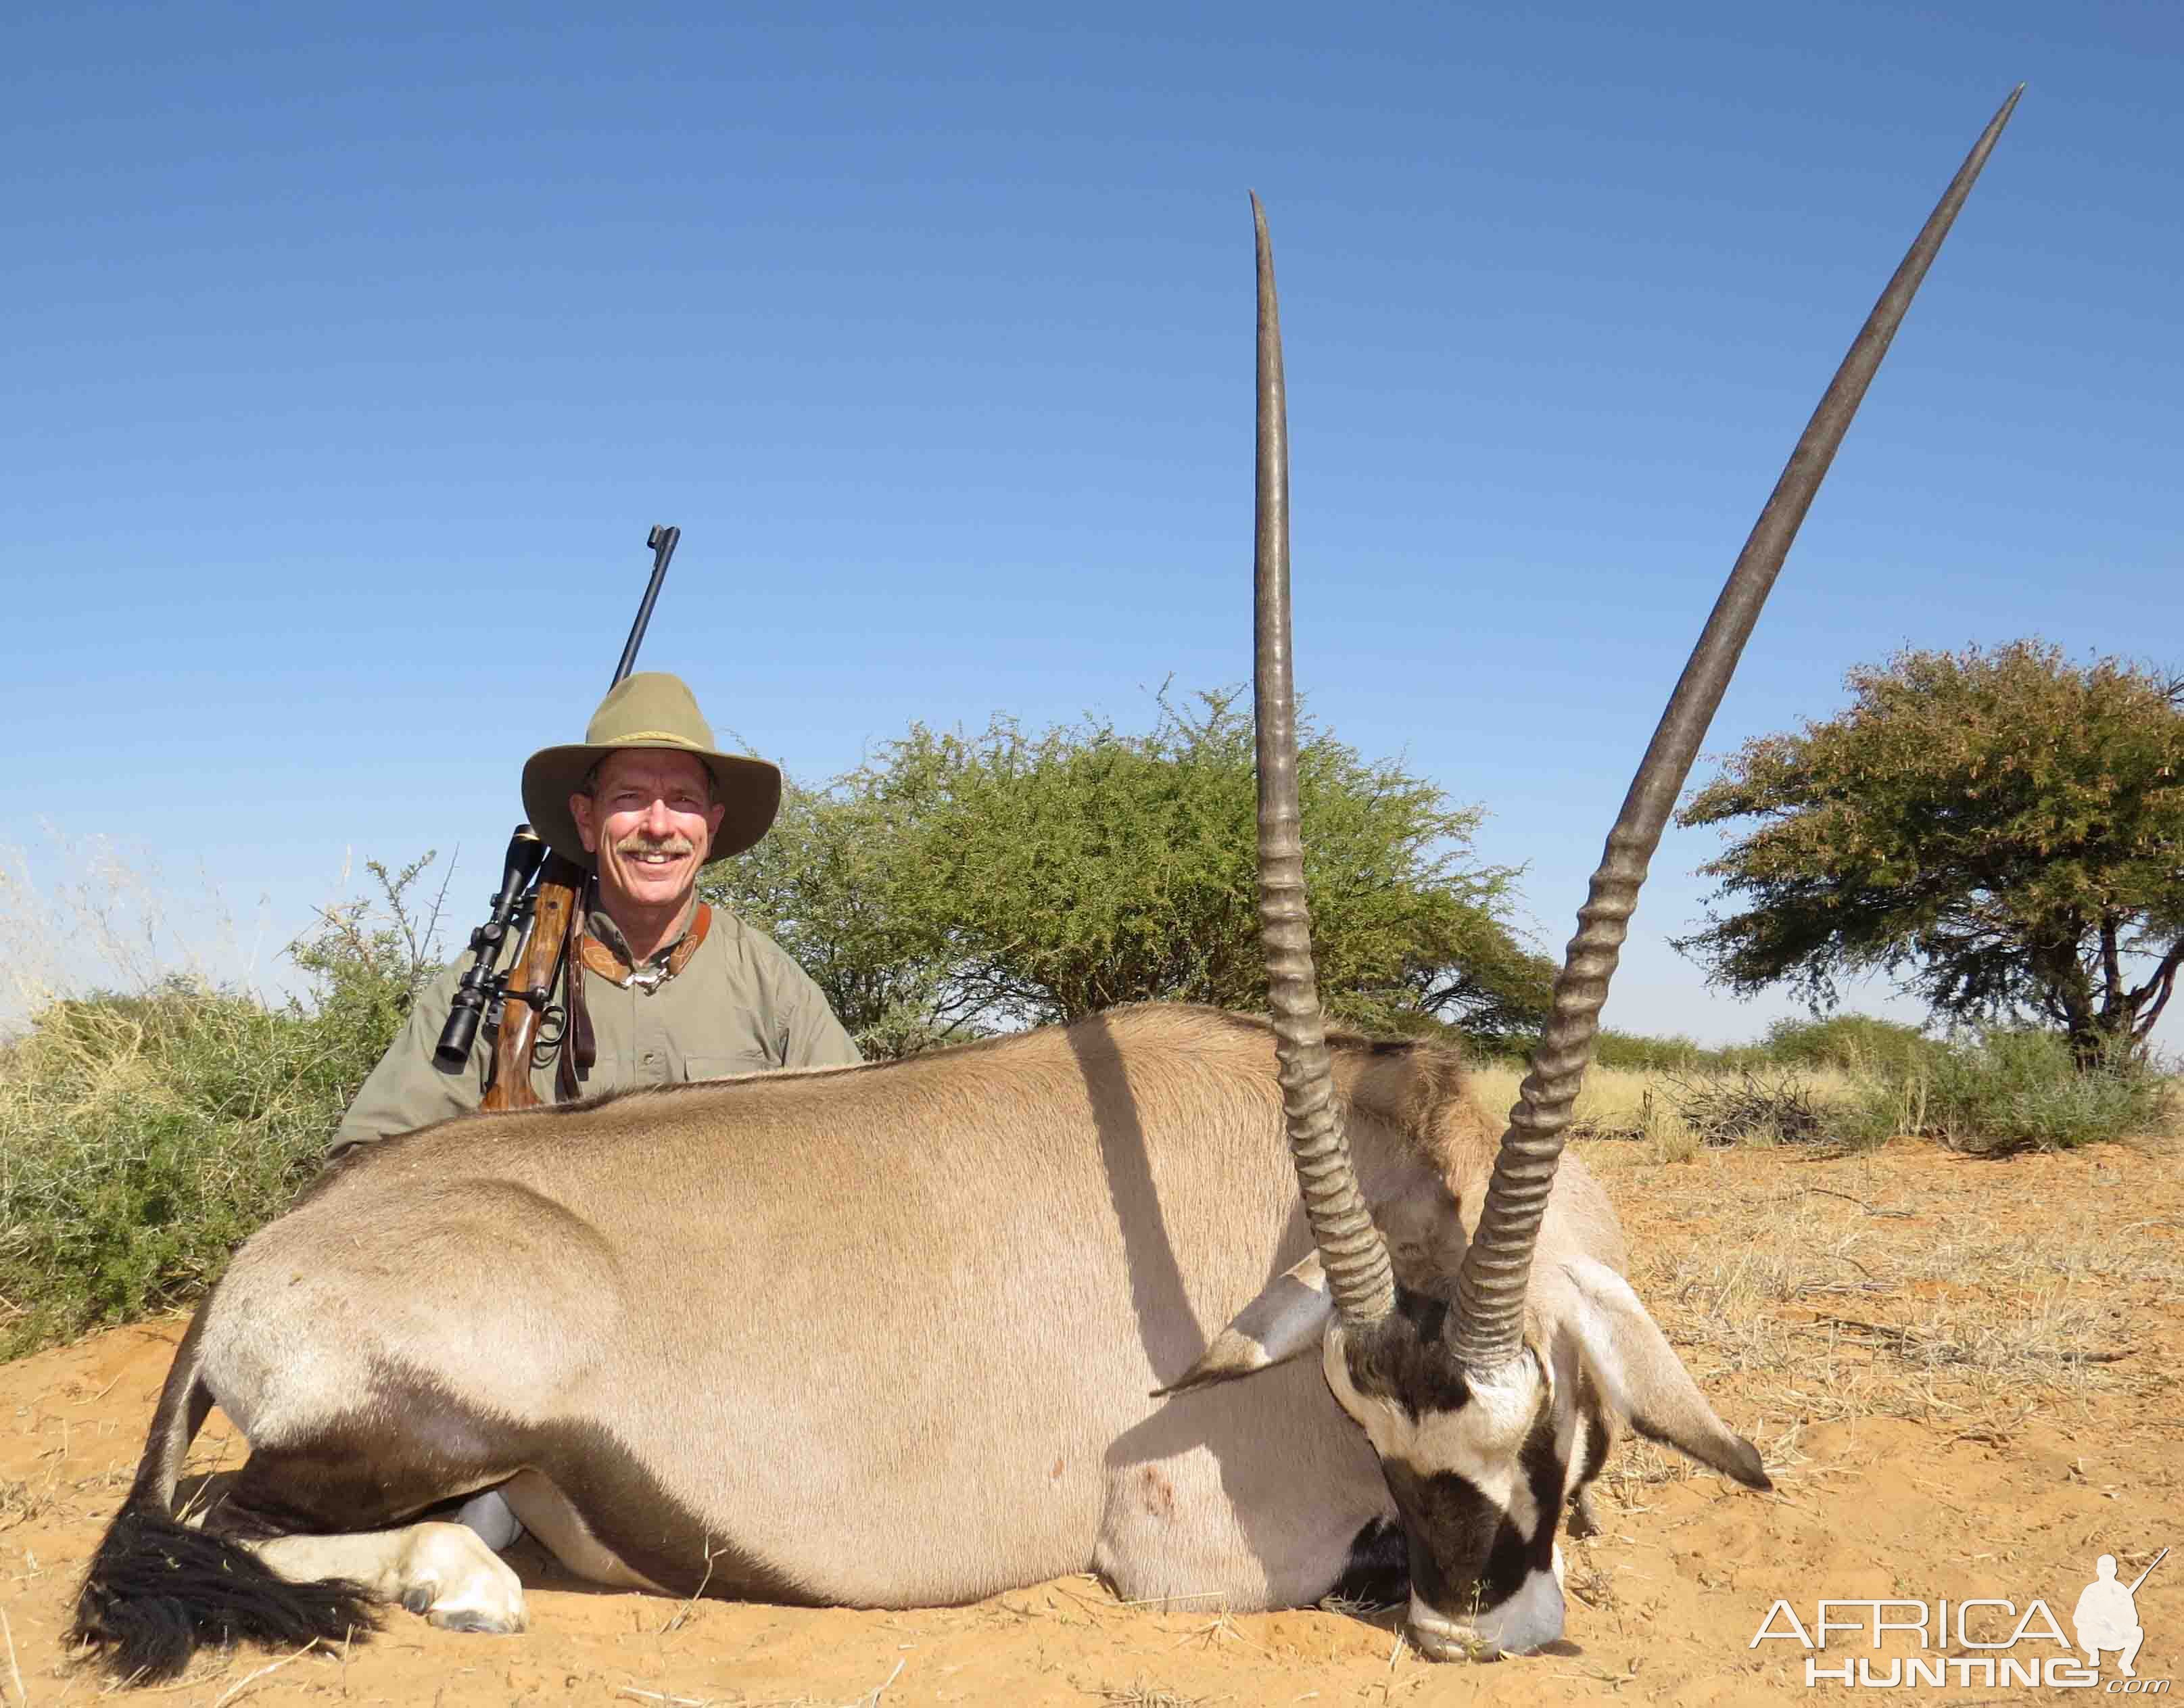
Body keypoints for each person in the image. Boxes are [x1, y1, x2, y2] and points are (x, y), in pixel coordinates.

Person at [328, 671, 861, 1160]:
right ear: (586, 820)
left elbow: (864, 1153)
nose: (658, 825)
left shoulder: (772, 984)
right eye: (630, 797)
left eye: (683, 800)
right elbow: (364, 1162)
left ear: (712, 825)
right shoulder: (496, 975)